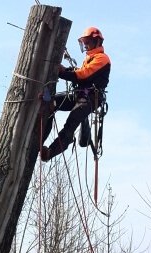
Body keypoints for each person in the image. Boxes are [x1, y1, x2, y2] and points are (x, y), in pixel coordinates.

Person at [40, 26, 111, 162]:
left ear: (97, 41)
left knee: (71, 123)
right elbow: (80, 72)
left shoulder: (102, 58)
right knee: (51, 102)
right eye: (84, 41)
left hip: (90, 98)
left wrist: (62, 72)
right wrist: (66, 70)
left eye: (88, 41)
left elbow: (83, 75)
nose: (85, 44)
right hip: (79, 95)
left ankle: (51, 152)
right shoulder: (89, 58)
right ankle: (39, 140)